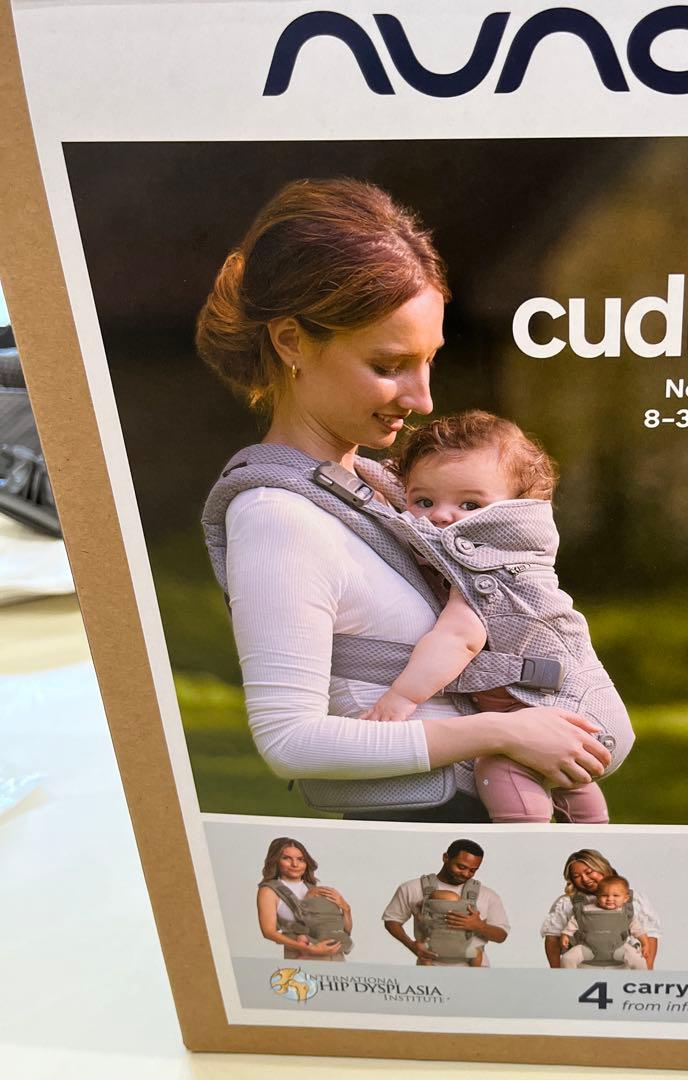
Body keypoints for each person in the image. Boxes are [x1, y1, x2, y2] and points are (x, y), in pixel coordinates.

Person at [196, 178, 611, 821]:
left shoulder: (384, 491)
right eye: (389, 366)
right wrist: (502, 732)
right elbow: (290, 741)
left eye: (428, 361)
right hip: (424, 838)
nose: (422, 399)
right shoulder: (278, 518)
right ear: (291, 342)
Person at [358, 410, 633, 823]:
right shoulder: (510, 554)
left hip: (573, 716)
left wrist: (402, 698)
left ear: (515, 511)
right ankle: (591, 836)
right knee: (565, 781)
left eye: (470, 504)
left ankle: (520, 843)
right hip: (582, 715)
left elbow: (458, 639)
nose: (441, 516)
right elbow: (392, 489)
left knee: (497, 767)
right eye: (423, 501)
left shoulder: (489, 571)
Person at [382, 839, 509, 966]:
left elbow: (501, 936)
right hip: (430, 967)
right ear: (445, 858)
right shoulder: (412, 888)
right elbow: (392, 920)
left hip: (474, 969)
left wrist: (478, 926)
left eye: (472, 870)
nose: (466, 874)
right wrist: (411, 945)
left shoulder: (487, 894)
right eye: (461, 867)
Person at [541, 849, 659, 969]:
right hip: (583, 967)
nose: (585, 879)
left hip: (623, 967)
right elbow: (553, 938)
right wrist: (557, 974)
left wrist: (646, 975)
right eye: (576, 876)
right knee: (568, 959)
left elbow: (650, 935)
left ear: (601, 867)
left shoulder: (633, 900)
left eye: (589, 872)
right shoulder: (567, 903)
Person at [256, 837, 353, 961]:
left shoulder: (315, 889)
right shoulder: (269, 890)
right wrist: (309, 949)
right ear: (275, 860)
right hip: (302, 957)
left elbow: (343, 930)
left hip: (336, 957)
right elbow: (268, 932)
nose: (295, 864)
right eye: (286, 858)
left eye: (300, 859)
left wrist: (346, 909)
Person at [559, 874, 648, 970]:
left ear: (625, 898)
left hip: (619, 948)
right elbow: (573, 923)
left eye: (616, 895)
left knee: (639, 960)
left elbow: (638, 930)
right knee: (567, 959)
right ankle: (570, 978)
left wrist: (645, 944)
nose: (610, 899)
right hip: (587, 948)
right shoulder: (586, 910)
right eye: (604, 895)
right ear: (597, 896)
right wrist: (565, 935)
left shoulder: (626, 913)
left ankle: (642, 978)